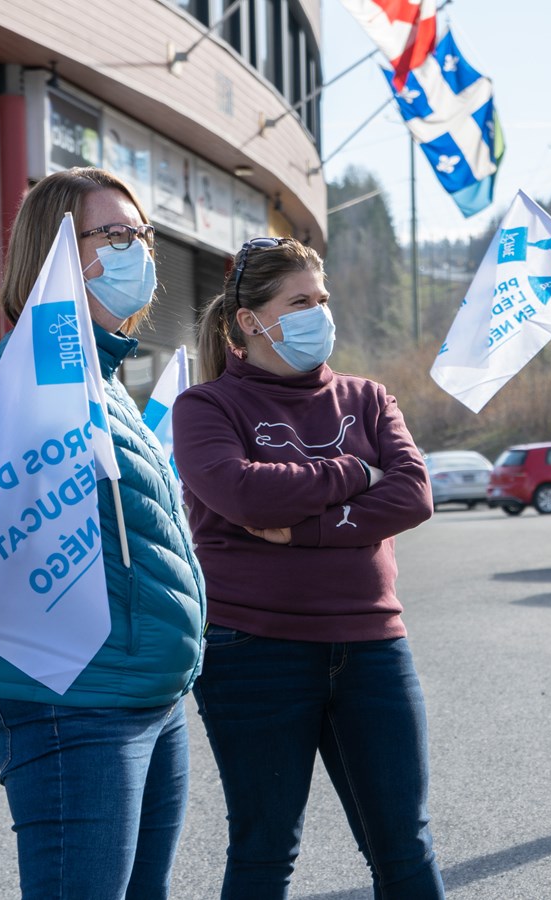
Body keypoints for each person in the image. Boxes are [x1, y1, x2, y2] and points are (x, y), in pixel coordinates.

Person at [0, 167, 207, 898]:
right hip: (73, 704)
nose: (138, 248)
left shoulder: (99, 378)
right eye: (115, 234)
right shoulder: (36, 376)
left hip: (147, 696)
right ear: (54, 253)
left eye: (142, 234)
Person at [173, 237, 445, 898]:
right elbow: (240, 493)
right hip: (252, 649)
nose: (318, 314)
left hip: (373, 646)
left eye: (321, 299)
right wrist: (354, 471)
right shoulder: (205, 408)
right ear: (250, 319)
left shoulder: (368, 398)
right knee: (265, 849)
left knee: (404, 845)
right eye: (300, 301)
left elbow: (412, 495)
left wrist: (305, 528)